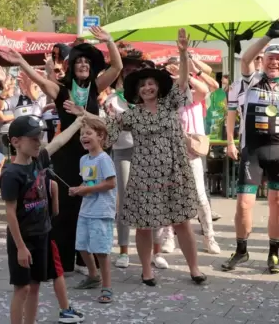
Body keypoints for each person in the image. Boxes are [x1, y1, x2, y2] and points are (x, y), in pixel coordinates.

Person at [66, 28, 206, 286]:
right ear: (137, 91)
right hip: (145, 174)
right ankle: (146, 270)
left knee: (183, 222)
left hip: (176, 171)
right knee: (144, 225)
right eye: (142, 85)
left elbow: (184, 82)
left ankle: (194, 268)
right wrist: (82, 113)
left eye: (151, 83)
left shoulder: (171, 103)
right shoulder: (132, 114)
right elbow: (106, 125)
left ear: (158, 86)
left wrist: (184, 53)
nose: (147, 88)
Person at [0, 26, 123, 273]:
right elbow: (41, 81)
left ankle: (88, 260)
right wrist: (22, 62)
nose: (84, 65)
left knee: (91, 202)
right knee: (66, 206)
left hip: (92, 153)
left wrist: (109, 42)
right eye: (80, 61)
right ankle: (64, 260)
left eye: (88, 62)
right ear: (72, 66)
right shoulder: (62, 90)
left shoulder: (96, 87)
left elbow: (117, 68)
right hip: (67, 154)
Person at [0, 114, 86, 324]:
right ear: (16, 142)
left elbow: (58, 142)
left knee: (36, 285)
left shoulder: (40, 160)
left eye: (40, 137)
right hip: (23, 239)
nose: (39, 142)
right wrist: (21, 247)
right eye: (33, 138)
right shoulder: (11, 173)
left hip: (42, 234)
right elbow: (9, 213)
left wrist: (77, 123)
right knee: (22, 288)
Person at [224, 18, 279, 275]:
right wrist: (269, 37)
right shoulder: (251, 80)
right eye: (270, 58)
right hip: (253, 151)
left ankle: (274, 254)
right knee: (244, 204)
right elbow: (246, 58)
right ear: (264, 59)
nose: (274, 62)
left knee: (278, 204)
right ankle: (241, 250)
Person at [103, 51, 148, 269]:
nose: (130, 74)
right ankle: (123, 250)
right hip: (123, 152)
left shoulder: (149, 97)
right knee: (125, 200)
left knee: (150, 199)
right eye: (126, 71)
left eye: (134, 71)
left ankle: (155, 252)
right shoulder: (112, 100)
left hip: (148, 152)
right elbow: (110, 131)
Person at [71, 118, 117, 303]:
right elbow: (87, 181)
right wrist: (78, 189)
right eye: (82, 134)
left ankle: (107, 287)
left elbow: (111, 183)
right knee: (81, 246)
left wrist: (85, 190)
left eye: (88, 133)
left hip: (101, 210)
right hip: (86, 209)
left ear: (101, 136)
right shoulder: (84, 159)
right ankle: (93, 276)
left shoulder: (104, 159)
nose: (84, 137)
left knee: (101, 251)